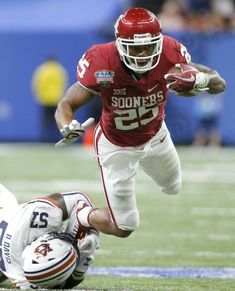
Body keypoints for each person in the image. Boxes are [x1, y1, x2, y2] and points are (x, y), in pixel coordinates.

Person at [54, 8, 226, 238]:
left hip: (155, 135)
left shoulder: (171, 52)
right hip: (116, 145)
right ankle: (82, 215)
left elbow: (219, 84)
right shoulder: (101, 60)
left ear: (159, 42)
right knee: (124, 227)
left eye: (149, 46)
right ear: (119, 44)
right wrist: (67, 125)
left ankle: (146, 163)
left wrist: (199, 80)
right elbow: (66, 104)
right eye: (135, 47)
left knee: (172, 186)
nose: (143, 53)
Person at [0, 183, 99, 289]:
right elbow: (59, 285)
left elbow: (79, 198)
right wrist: (81, 260)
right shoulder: (20, 271)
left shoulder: (18, 269)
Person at [31, 56, 69, 142]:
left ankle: (44, 139)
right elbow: (64, 84)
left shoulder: (41, 70)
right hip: (57, 99)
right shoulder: (59, 70)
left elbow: (36, 84)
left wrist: (39, 96)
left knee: (46, 121)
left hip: (45, 99)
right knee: (58, 120)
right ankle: (57, 139)